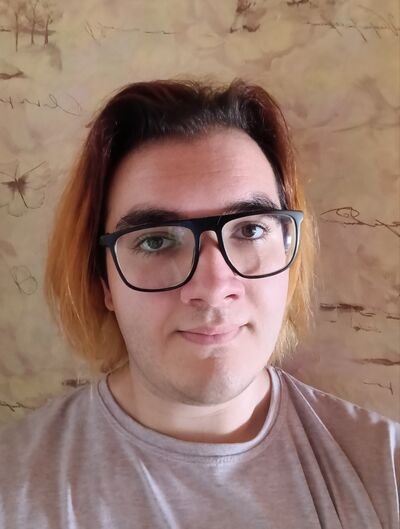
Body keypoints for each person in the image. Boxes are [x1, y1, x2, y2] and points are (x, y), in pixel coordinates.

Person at [0, 79, 398, 529]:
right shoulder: (14, 489)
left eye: (250, 230)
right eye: (155, 241)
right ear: (103, 281)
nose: (212, 287)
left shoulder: (386, 472)